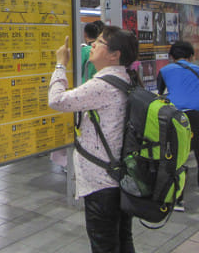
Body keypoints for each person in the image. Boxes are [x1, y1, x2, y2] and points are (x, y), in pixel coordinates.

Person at [48, 26, 139, 253]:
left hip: (102, 182)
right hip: (121, 176)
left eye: (99, 42)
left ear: (114, 55)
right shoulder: (127, 78)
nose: (93, 45)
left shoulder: (103, 84)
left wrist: (61, 64)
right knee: (123, 239)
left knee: (104, 245)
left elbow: (57, 100)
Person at [156, 41, 199, 217]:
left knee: (176, 157)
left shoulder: (165, 71)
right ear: (191, 57)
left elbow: (160, 93)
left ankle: (176, 200)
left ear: (171, 57)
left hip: (176, 117)